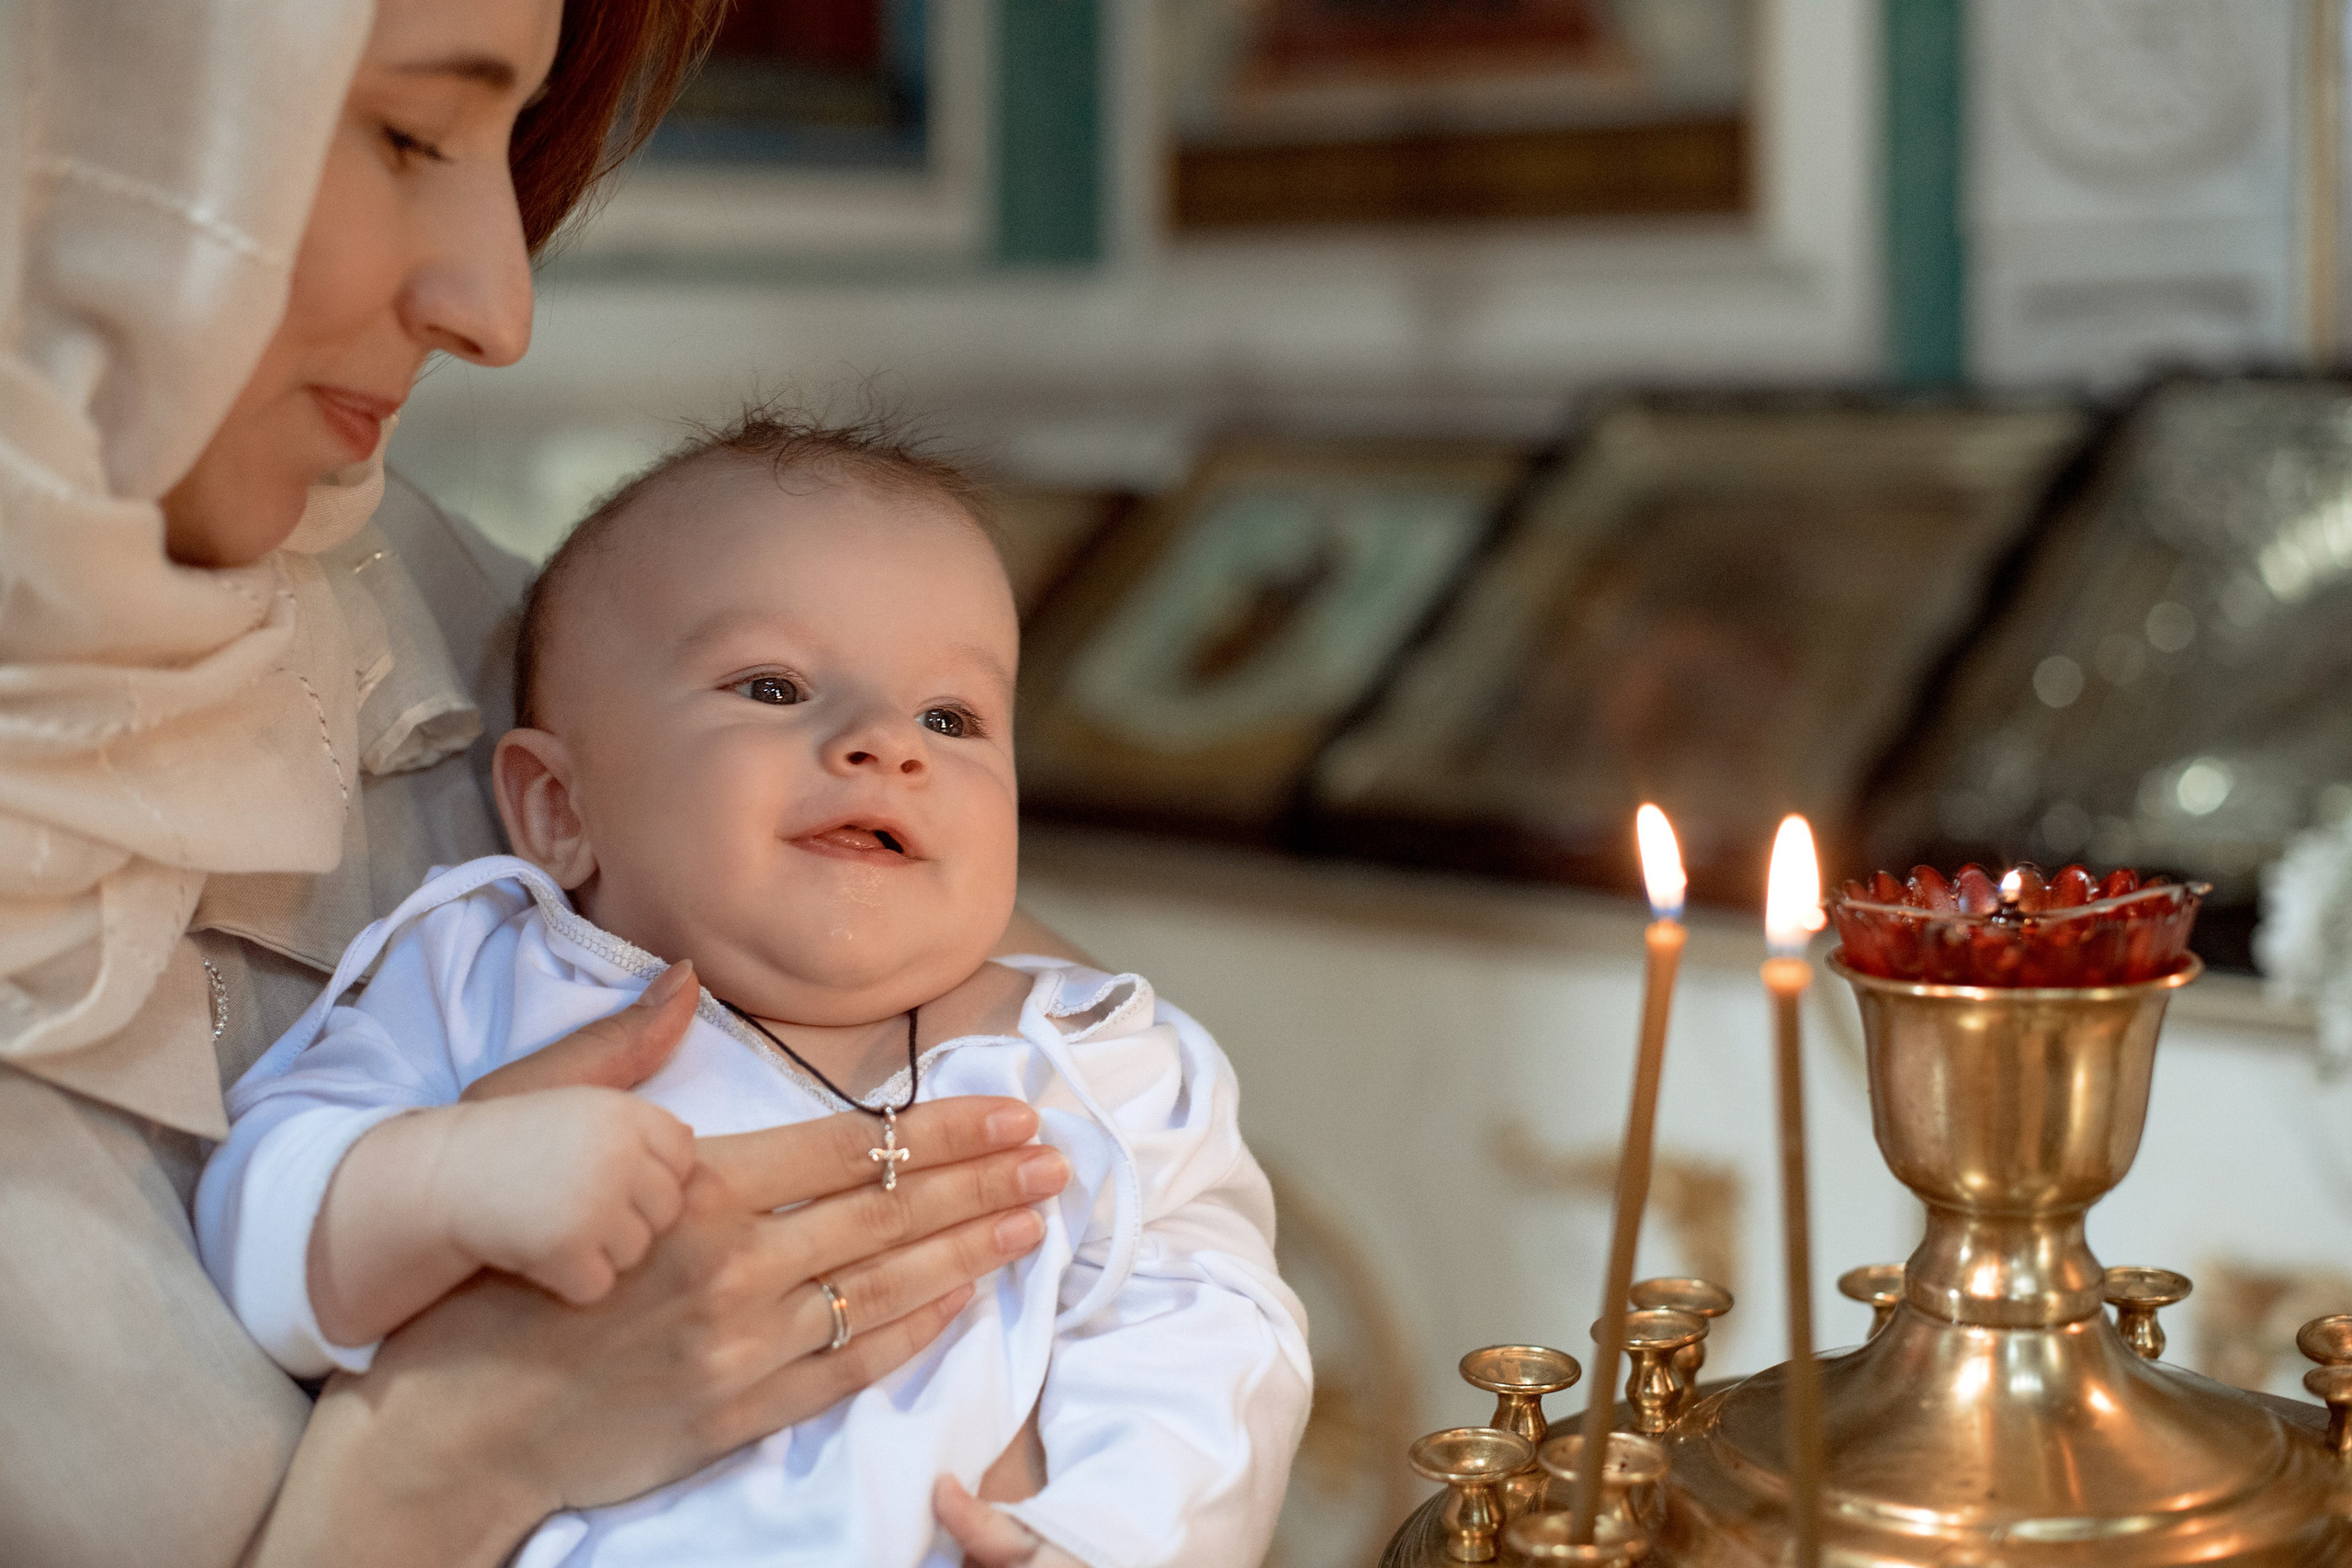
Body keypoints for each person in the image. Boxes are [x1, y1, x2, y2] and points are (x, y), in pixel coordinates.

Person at [0, 3, 1082, 1562]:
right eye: (409, 132)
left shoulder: (392, 599)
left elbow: (1027, 997)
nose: (497, 308)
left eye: (507, 144)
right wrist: (451, 1452)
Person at [197, 415, 1315, 1568]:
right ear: (558, 810)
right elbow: (255, 1211)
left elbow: (1213, 1342)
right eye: (774, 687)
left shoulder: (1097, 1064)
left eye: (952, 717)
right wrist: (444, 1179)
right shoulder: (480, 979)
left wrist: (1099, 1539)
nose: (887, 743)